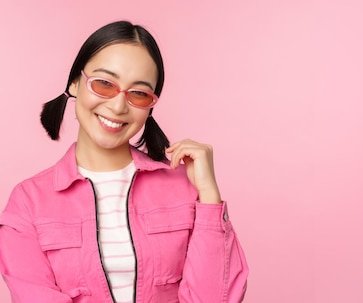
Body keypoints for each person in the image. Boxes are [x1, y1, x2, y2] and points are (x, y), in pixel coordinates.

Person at [0, 20, 249, 303]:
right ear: (75, 82)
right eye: (104, 84)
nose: (118, 106)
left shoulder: (185, 187)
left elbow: (215, 299)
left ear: (151, 105)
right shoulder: (28, 203)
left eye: (139, 93)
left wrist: (209, 196)